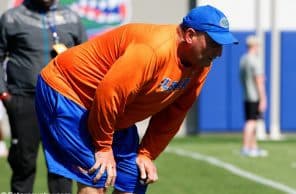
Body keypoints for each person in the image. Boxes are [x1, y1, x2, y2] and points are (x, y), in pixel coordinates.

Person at [35, 5, 238, 194]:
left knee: (135, 179)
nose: (219, 52)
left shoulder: (201, 63)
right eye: (213, 43)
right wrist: (103, 147)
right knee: (97, 176)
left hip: (112, 109)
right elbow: (110, 93)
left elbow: (174, 113)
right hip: (69, 91)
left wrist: (147, 153)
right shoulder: (152, 50)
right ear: (190, 35)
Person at [0, 0, 88, 193]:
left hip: (62, 101)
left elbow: (87, 57)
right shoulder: (12, 18)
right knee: (24, 161)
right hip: (24, 98)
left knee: (63, 164)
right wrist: (4, 93)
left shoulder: (72, 18)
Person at [240, 35, 268, 157]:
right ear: (255, 46)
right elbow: (259, 80)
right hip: (254, 95)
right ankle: (246, 147)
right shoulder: (254, 60)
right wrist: (263, 98)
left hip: (246, 94)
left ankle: (253, 147)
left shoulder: (243, 59)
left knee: (252, 121)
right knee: (251, 122)